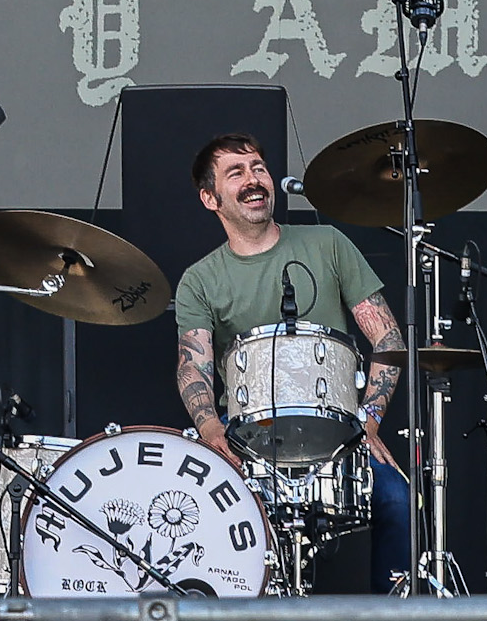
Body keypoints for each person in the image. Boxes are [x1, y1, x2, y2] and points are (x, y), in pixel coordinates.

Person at [171, 135, 413, 587]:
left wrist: (371, 418)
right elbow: (194, 366)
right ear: (210, 198)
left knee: (398, 501)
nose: (253, 180)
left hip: (340, 426)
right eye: (236, 172)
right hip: (247, 429)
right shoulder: (200, 280)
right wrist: (209, 428)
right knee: (198, 511)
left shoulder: (327, 243)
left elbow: (388, 337)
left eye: (258, 167)